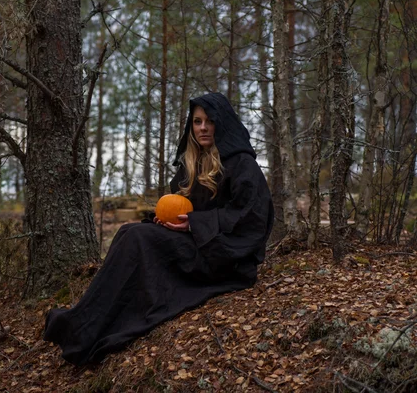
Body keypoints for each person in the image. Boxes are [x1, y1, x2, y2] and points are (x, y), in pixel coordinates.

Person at [44, 92, 274, 366]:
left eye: (209, 121)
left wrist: (196, 224)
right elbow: (181, 206)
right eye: (197, 121)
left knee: (138, 239)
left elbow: (252, 217)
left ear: (221, 123)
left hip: (226, 257)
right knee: (129, 232)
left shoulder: (242, 164)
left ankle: (83, 327)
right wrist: (166, 221)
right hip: (197, 242)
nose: (202, 127)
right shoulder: (192, 162)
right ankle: (88, 320)